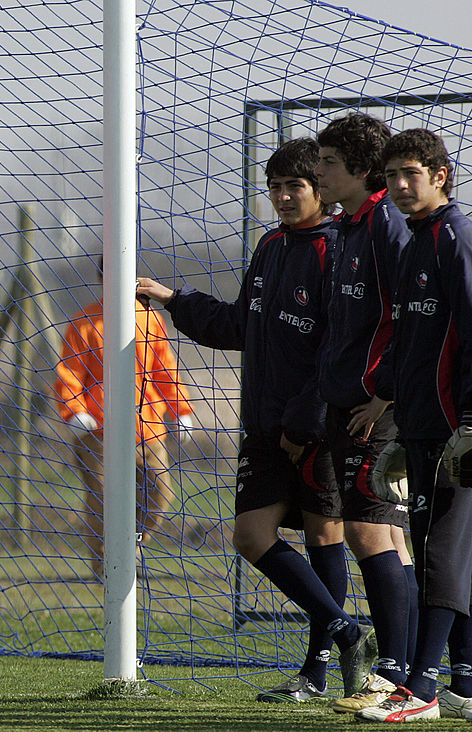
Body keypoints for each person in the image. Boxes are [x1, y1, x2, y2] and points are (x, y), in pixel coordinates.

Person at [137, 137, 377, 702]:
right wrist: (173, 299)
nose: (283, 198)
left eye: (294, 186)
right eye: (273, 188)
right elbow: (241, 327)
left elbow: (339, 349)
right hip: (265, 425)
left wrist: (306, 423)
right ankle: (345, 631)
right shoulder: (271, 246)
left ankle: (316, 673)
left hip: (316, 427)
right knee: (251, 535)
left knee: (324, 533)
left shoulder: (340, 249)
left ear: (321, 188)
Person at [356, 129, 472, 723]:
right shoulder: (413, 244)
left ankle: (420, 687)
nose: (399, 186)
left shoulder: (457, 236)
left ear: (440, 174)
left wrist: (471, 423)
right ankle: (463, 682)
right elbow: (411, 344)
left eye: (411, 174)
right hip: (424, 426)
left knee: (440, 553)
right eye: (392, 176)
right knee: (443, 548)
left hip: (459, 429)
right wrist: (400, 417)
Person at [309, 113, 418, 714]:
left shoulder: (386, 222)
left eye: (327, 161)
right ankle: (414, 671)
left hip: (378, 407)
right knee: (386, 538)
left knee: (372, 532)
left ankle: (396, 675)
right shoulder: (346, 226)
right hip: (346, 403)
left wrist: (388, 394)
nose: (317, 170)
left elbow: (413, 315)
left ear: (358, 168)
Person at [54, 260, 194, 578]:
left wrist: (180, 410)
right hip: (98, 431)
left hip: (147, 428)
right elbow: (70, 372)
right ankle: (106, 564)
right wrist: (74, 411)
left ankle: (131, 545)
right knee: (103, 498)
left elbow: (164, 369)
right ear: (101, 279)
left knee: (160, 493)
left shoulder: (149, 318)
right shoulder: (84, 322)